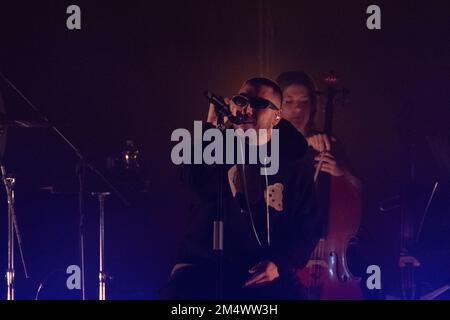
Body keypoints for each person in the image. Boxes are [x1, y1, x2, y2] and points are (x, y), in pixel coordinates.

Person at [161, 77, 323, 299]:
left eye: (259, 104)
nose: (247, 109)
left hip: (263, 269)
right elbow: (191, 178)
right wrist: (210, 127)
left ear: (277, 116)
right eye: (241, 101)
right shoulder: (219, 142)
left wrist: (278, 263)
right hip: (205, 263)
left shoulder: (293, 159)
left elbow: (308, 222)